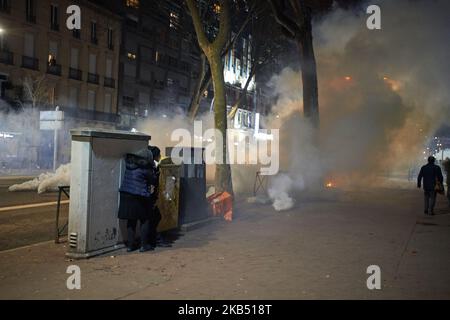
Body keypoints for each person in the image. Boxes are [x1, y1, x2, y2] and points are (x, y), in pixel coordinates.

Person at [118, 148, 156, 252]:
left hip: (126, 194)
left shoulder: (130, 164)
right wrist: (153, 168)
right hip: (138, 196)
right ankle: (144, 245)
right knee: (145, 220)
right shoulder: (145, 168)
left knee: (131, 220)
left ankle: (130, 246)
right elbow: (153, 179)